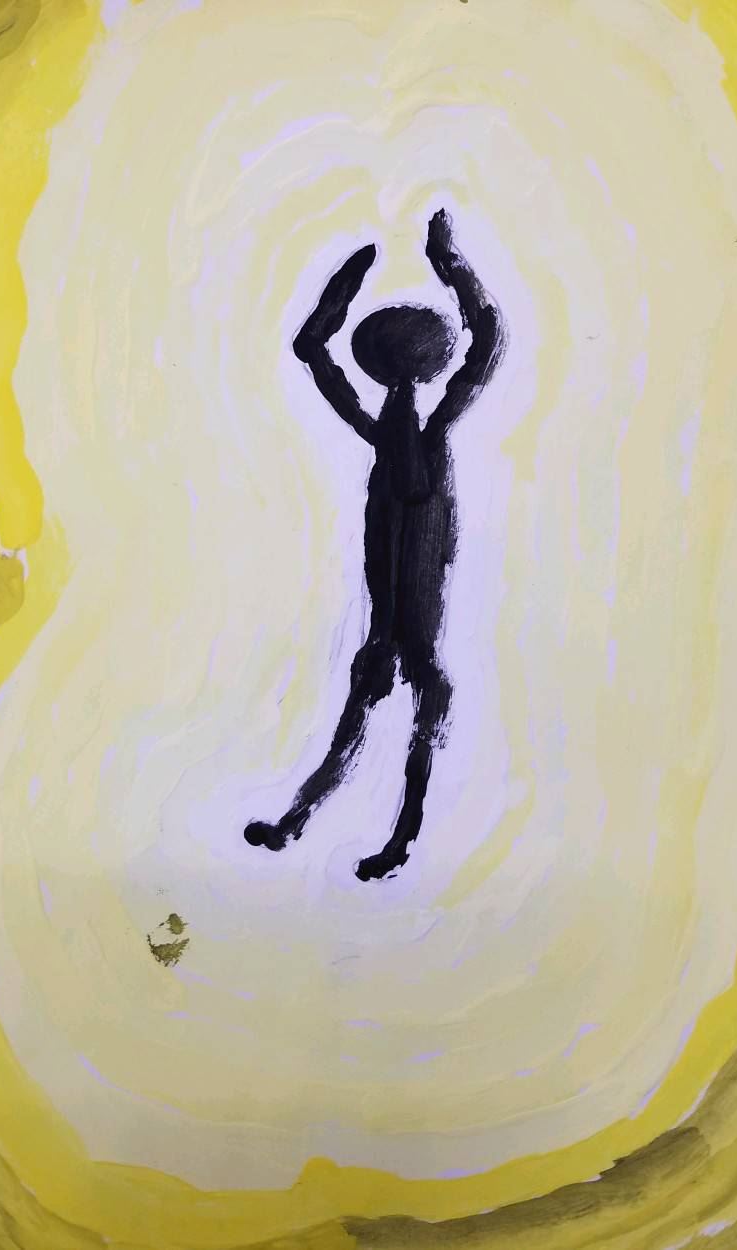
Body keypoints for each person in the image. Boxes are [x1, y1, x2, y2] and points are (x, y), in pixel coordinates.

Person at [245, 209, 505, 881]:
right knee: (368, 700)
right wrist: (351, 281)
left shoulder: (417, 440)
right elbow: (313, 351)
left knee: (408, 700)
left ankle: (395, 838)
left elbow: (484, 339)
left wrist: (448, 264)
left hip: (410, 620)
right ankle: (301, 822)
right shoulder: (397, 438)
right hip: (388, 617)